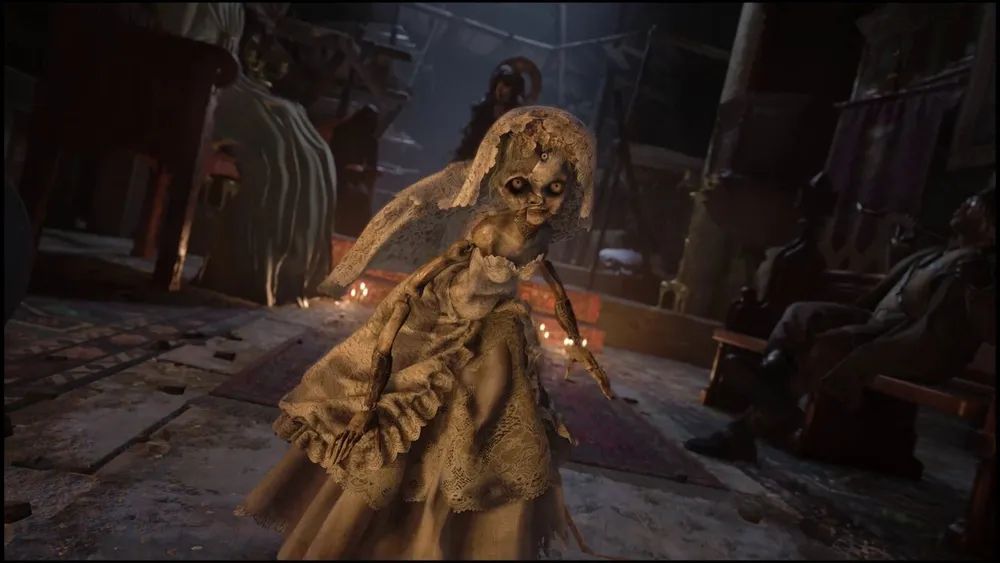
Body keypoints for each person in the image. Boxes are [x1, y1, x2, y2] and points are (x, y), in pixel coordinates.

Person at [236, 107, 614, 559]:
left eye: (554, 190)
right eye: (523, 187)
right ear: (503, 184)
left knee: (491, 414)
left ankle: (457, 541)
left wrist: (581, 348)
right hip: (449, 313)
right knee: (415, 415)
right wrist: (371, 396)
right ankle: (381, 536)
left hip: (496, 324)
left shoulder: (541, 235)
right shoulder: (490, 230)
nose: (538, 202)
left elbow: (552, 282)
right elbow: (427, 279)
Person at [686, 187, 996, 463]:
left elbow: (973, 327)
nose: (962, 206)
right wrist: (898, 250)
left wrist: (980, 285)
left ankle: (750, 424)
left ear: (988, 223)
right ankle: (771, 373)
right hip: (877, 321)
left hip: (909, 341)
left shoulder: (979, 266)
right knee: (801, 313)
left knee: (831, 344)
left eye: (971, 204)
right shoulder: (935, 253)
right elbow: (894, 291)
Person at [452, 63, 529, 162]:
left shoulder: (519, 116)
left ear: (514, 90)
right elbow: (471, 142)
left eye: (507, 84)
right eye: (498, 83)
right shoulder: (484, 109)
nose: (500, 88)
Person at [330, 105, 380, 237]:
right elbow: (332, 154)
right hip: (336, 175)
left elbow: (372, 164)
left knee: (360, 199)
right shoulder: (341, 132)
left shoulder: (370, 141)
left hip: (356, 178)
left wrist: (363, 171)